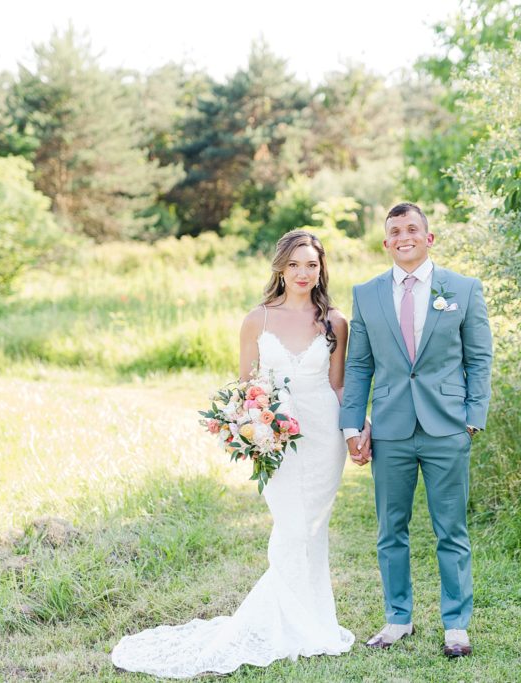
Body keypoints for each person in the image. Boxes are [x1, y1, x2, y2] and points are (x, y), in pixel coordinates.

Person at [111, 230, 359, 677]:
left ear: (321, 269)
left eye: (312, 265)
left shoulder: (335, 322)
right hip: (277, 437)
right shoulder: (256, 320)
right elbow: (246, 387)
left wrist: (356, 430)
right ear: (280, 268)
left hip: (324, 436)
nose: (303, 273)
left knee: (313, 530)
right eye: (295, 264)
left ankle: (312, 622)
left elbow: (338, 385)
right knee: (291, 527)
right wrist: (251, 429)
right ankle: (277, 621)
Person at [340, 202, 493, 658]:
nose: (403, 236)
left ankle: (456, 626)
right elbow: (359, 365)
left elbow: (479, 357)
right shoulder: (366, 294)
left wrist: (473, 416)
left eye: (412, 229)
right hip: (390, 428)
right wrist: (352, 425)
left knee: (452, 529)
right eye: (395, 231)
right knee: (391, 529)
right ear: (385, 242)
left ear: (428, 238)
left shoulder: (463, 288)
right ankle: (398, 618)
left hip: (448, 426)